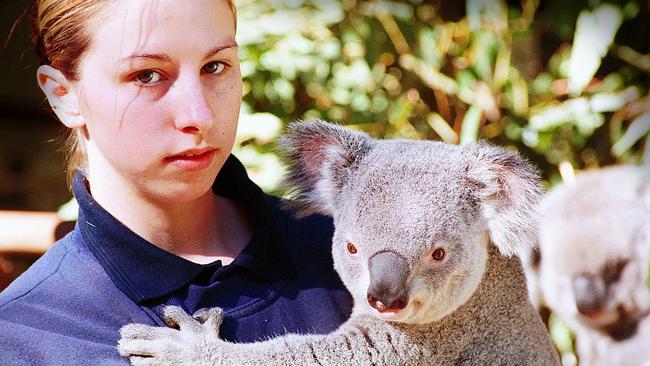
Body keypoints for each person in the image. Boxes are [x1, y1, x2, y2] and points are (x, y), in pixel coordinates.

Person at [0, 0, 352, 364]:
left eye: (215, 66)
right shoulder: (25, 336)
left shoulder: (351, 256)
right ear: (63, 95)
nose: (199, 115)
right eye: (146, 75)